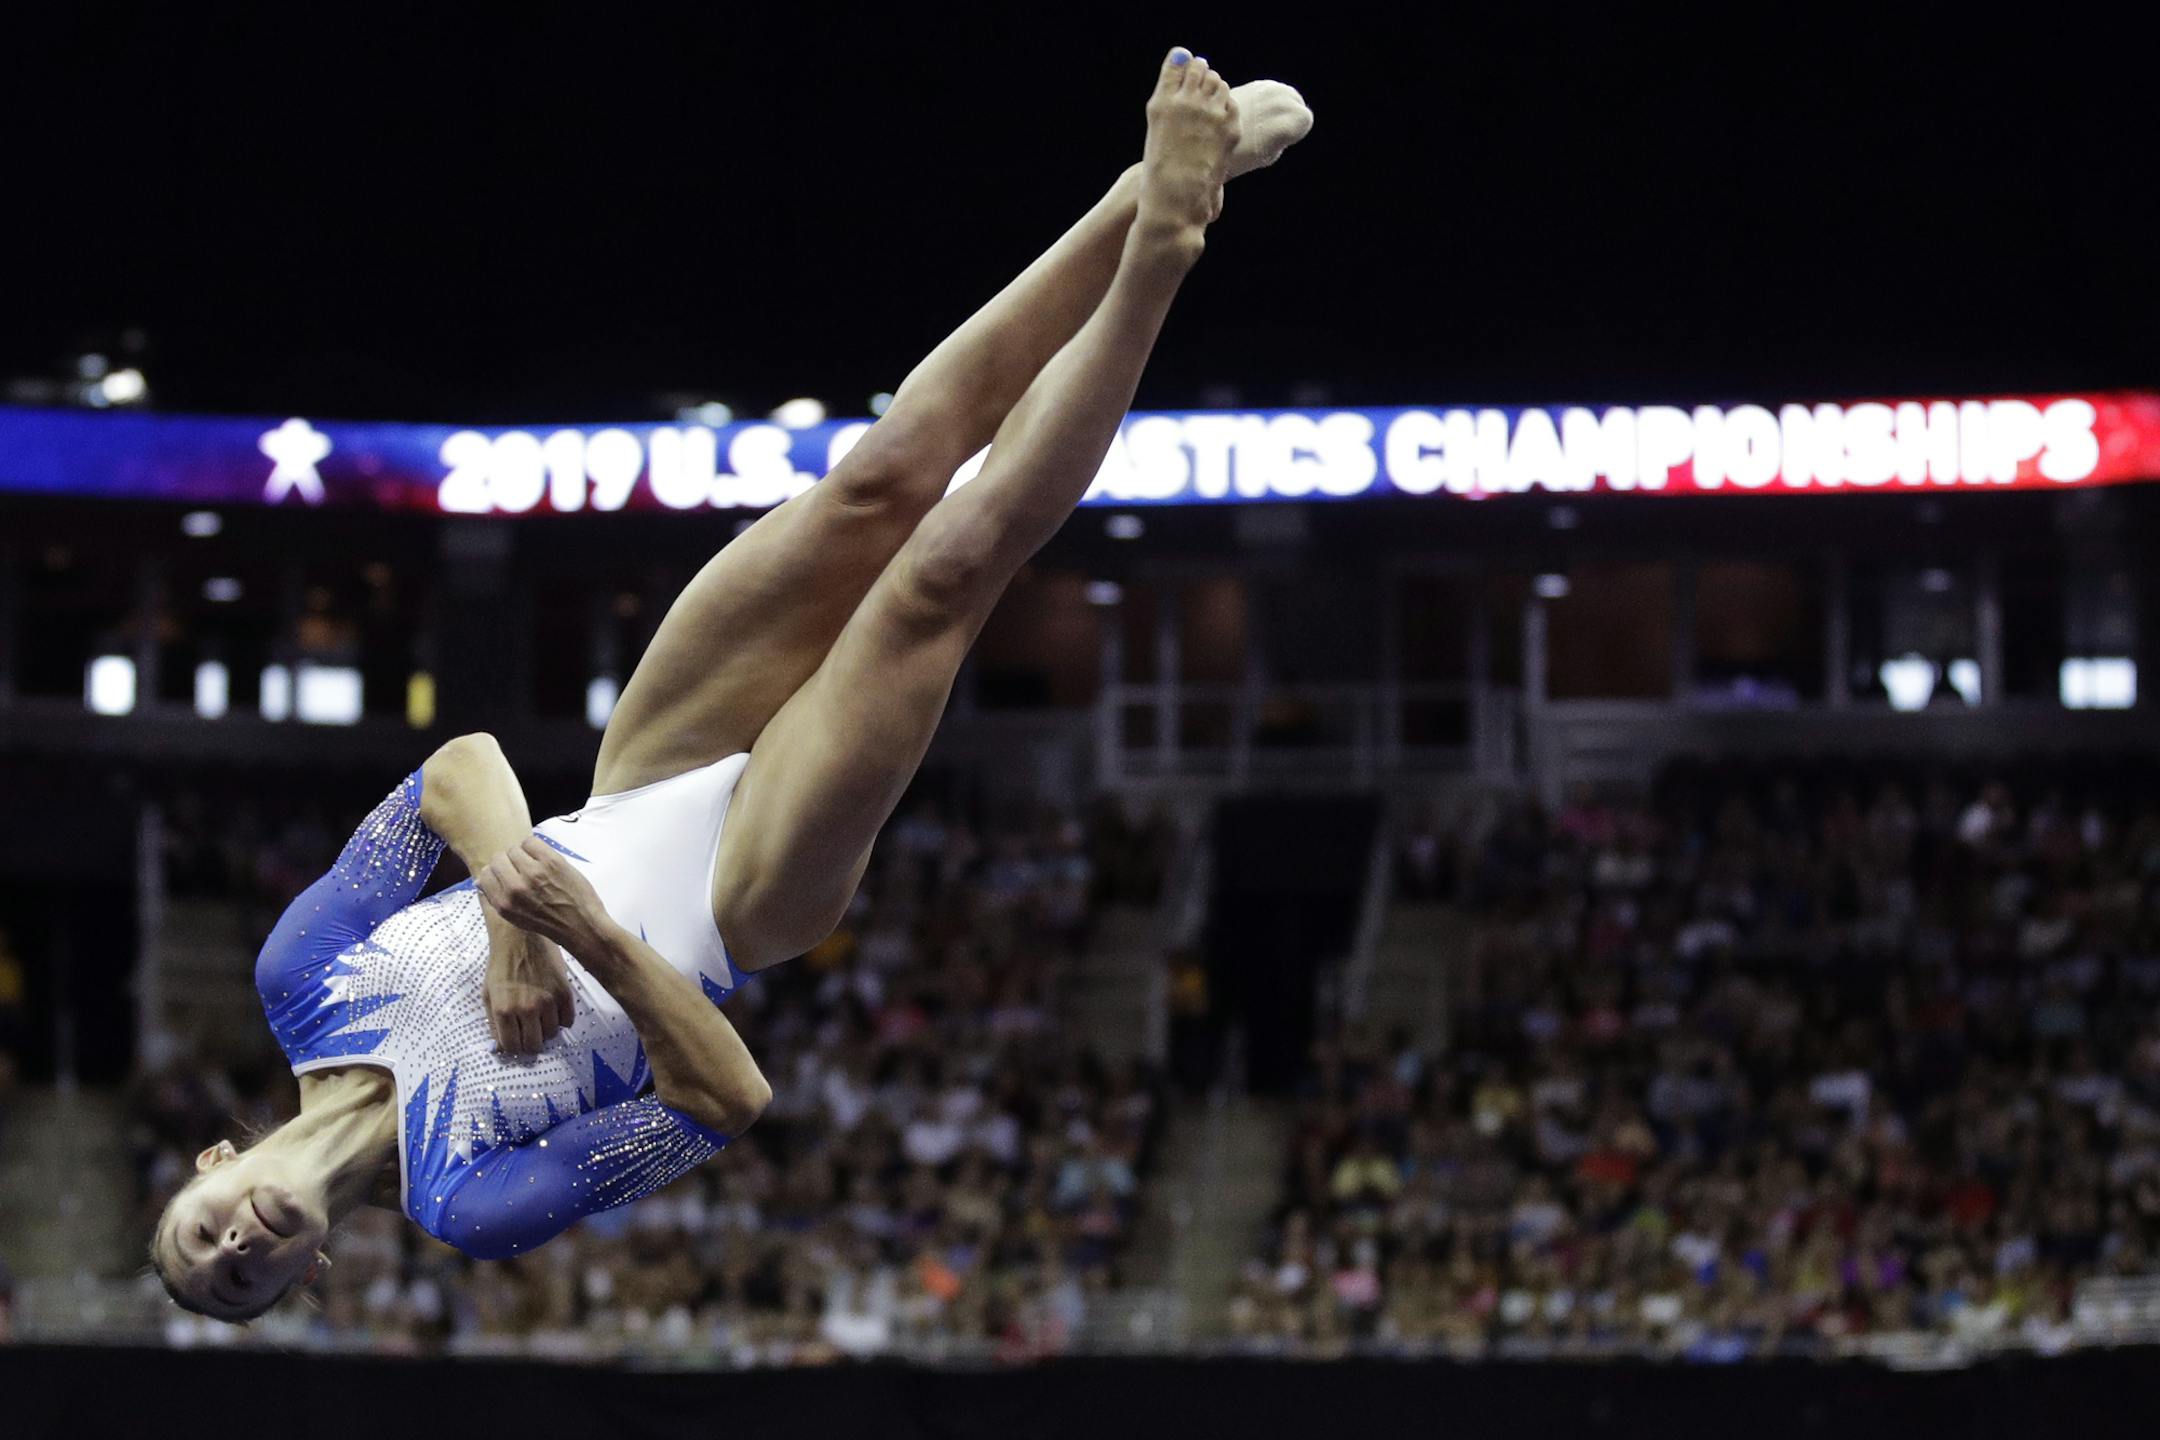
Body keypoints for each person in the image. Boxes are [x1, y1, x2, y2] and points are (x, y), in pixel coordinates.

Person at [149, 48, 1312, 1322]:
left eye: (202, 1236)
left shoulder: (300, 981)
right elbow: (723, 1102)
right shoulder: (466, 1202)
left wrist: (513, 924)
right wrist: (588, 935)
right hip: (730, 900)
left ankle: (1137, 187)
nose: (234, 1247)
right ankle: (1165, 241)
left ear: (216, 1164)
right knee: (944, 574)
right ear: (308, 1273)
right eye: (242, 1280)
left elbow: (457, 766)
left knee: (879, 479)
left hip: (634, 778)